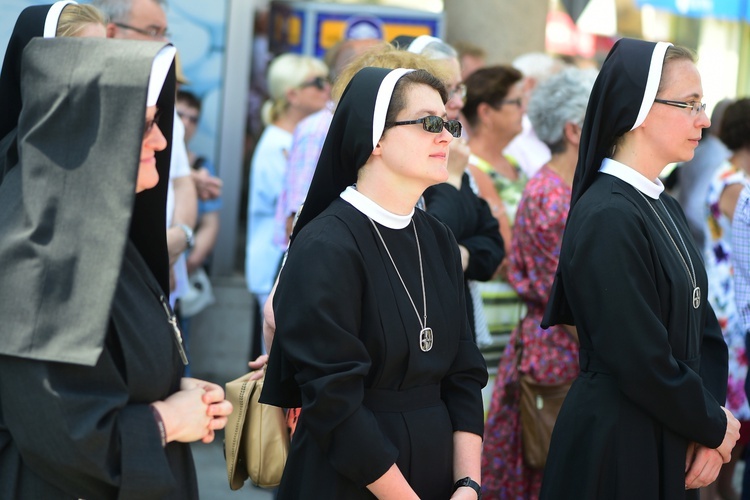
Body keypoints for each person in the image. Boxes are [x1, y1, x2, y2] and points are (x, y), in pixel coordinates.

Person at [0, 36, 231, 499]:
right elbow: (62, 431)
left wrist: (176, 389)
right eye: (145, 125)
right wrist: (166, 420)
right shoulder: (45, 251)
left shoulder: (101, 225)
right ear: (94, 128)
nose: (162, 141)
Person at [259, 67, 488, 499]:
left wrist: (467, 484)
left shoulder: (437, 237)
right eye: (429, 124)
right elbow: (335, 401)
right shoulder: (326, 245)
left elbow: (464, 372)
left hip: (440, 477)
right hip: (350, 479)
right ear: (376, 138)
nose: (447, 138)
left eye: (449, 125)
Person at [540, 38, 740, 499]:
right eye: (689, 104)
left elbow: (701, 326)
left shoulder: (660, 203)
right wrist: (710, 424)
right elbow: (638, 355)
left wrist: (710, 421)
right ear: (639, 110)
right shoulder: (607, 214)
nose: (704, 120)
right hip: (618, 440)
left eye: (703, 104)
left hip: (672, 425)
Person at [480, 67, 596, 499]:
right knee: (545, 473)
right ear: (573, 130)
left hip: (560, 348)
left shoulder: (566, 186)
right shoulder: (552, 195)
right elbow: (563, 302)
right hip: (558, 354)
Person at [93, 0, 198, 309]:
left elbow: (181, 180)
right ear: (111, 33)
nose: (165, 43)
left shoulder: (165, 112)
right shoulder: (91, 109)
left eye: (166, 32)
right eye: (152, 31)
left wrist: (180, 236)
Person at [245, 52, 329, 333]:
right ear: (292, 93)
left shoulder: (291, 137)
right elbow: (294, 206)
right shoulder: (276, 143)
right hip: (274, 261)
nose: (326, 88)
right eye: (317, 82)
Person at [700, 98, 750, 500]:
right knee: (731, 404)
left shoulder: (735, 173)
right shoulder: (735, 181)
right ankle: (719, 492)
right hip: (731, 302)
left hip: (731, 296)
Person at [675, 99, 732, 248]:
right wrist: (720, 239)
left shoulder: (702, 149)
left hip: (686, 238)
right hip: (699, 249)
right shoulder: (718, 156)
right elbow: (693, 207)